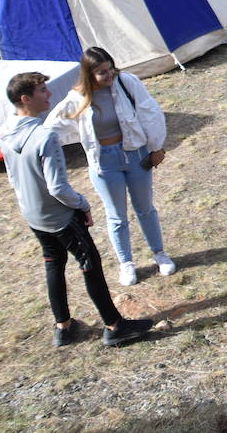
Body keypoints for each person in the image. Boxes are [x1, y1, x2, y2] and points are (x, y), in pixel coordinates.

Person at [0, 72, 154, 348]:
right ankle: (115, 325)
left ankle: (63, 327)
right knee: (90, 265)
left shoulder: (5, 133)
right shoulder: (44, 136)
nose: (49, 95)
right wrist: (82, 205)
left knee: (54, 265)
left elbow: (13, 178)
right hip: (60, 217)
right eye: (42, 91)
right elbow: (58, 187)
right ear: (26, 99)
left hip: (35, 216)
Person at [44, 47, 175, 288]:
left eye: (110, 68)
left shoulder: (127, 82)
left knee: (145, 208)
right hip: (104, 163)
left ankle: (160, 254)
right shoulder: (77, 98)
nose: (109, 75)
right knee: (116, 215)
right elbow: (52, 127)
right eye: (102, 73)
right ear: (88, 74)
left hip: (135, 155)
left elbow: (150, 112)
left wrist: (156, 146)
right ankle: (127, 263)